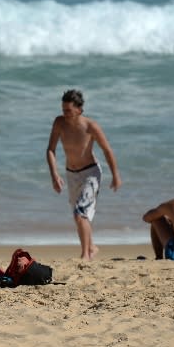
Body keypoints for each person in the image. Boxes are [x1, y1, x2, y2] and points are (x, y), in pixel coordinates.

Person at [46, 89, 121, 260]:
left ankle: (85, 254)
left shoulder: (90, 126)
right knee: (78, 215)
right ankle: (92, 247)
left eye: (68, 111)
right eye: (63, 110)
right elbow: (50, 149)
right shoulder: (59, 123)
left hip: (91, 173)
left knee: (80, 213)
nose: (65, 114)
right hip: (71, 174)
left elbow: (107, 150)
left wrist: (115, 175)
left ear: (79, 110)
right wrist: (54, 175)